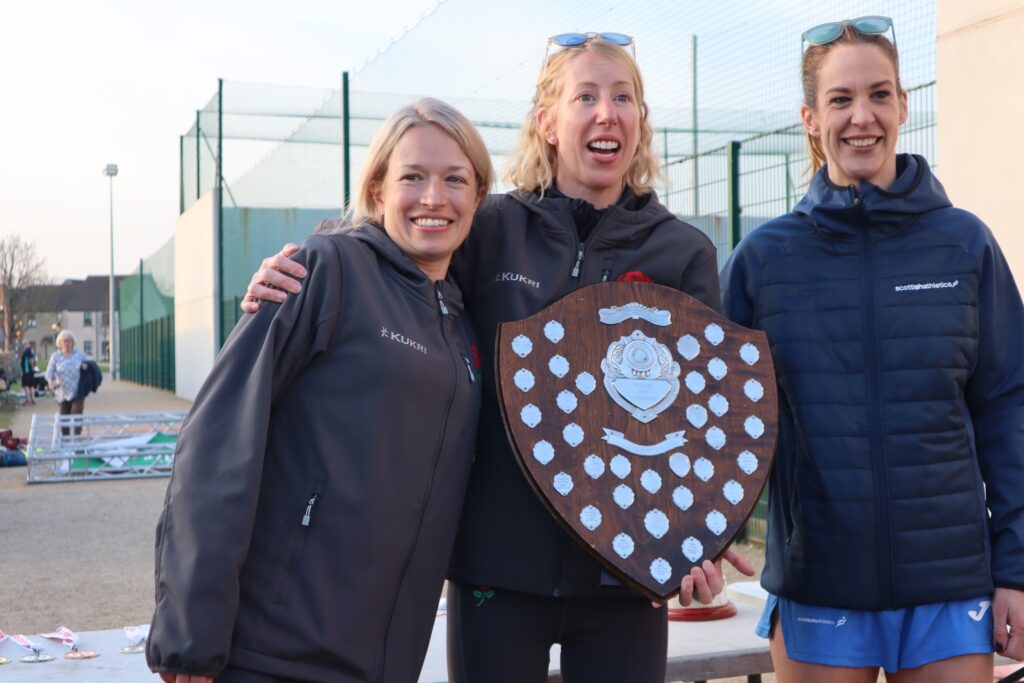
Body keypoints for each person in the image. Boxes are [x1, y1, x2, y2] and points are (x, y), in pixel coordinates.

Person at [243, 34, 753, 683]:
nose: (607, 112)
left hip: (625, 577)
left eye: (623, 97)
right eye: (586, 96)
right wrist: (306, 263)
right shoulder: (490, 228)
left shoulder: (683, 252)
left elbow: (700, 414)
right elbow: (397, 247)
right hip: (495, 571)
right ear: (547, 120)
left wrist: (696, 537)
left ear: (641, 120)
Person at [720, 16, 1024, 682]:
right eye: (841, 99)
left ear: (903, 105)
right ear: (809, 117)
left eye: (880, 95)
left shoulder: (965, 244)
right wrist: (699, 539)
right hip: (819, 582)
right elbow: (721, 421)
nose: (863, 117)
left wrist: (1017, 568)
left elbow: (1008, 412)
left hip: (949, 583)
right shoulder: (763, 261)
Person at [147, 98, 491, 683]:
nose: (434, 197)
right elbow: (217, 444)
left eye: (454, 179)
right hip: (271, 654)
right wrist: (188, 635)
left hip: (381, 664)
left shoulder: (464, 324)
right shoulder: (322, 272)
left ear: (478, 197)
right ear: (379, 191)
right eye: (413, 176)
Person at [45, 330, 89, 435]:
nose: (67, 343)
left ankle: (77, 438)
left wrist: (85, 366)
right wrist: (50, 382)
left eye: (69, 341)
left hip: (77, 391)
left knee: (76, 413)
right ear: (60, 343)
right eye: (65, 341)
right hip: (62, 392)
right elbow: (49, 372)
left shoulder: (79, 354)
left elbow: (89, 365)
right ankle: (65, 441)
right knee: (64, 417)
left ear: (73, 342)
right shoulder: (56, 356)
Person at [20, 340, 37, 405]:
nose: (23, 346)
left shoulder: (27, 351)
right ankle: (32, 398)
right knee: (31, 385)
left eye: (24, 344)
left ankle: (29, 399)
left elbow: (31, 359)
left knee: (26, 385)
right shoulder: (29, 351)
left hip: (27, 371)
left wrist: (32, 367)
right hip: (29, 371)